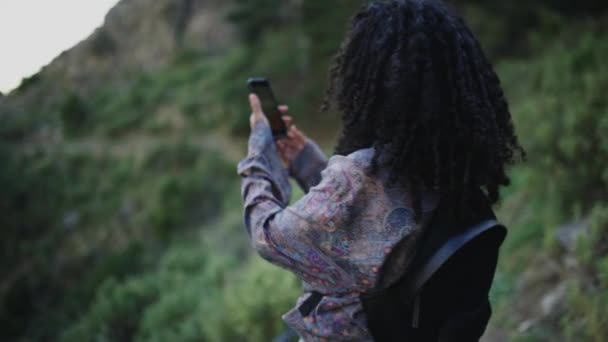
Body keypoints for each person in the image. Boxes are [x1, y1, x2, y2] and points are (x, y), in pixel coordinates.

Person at [236, 0, 525, 341]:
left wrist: (260, 148)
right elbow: (366, 222)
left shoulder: (362, 180)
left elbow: (269, 236)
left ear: (369, 79)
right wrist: (305, 161)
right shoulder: (452, 180)